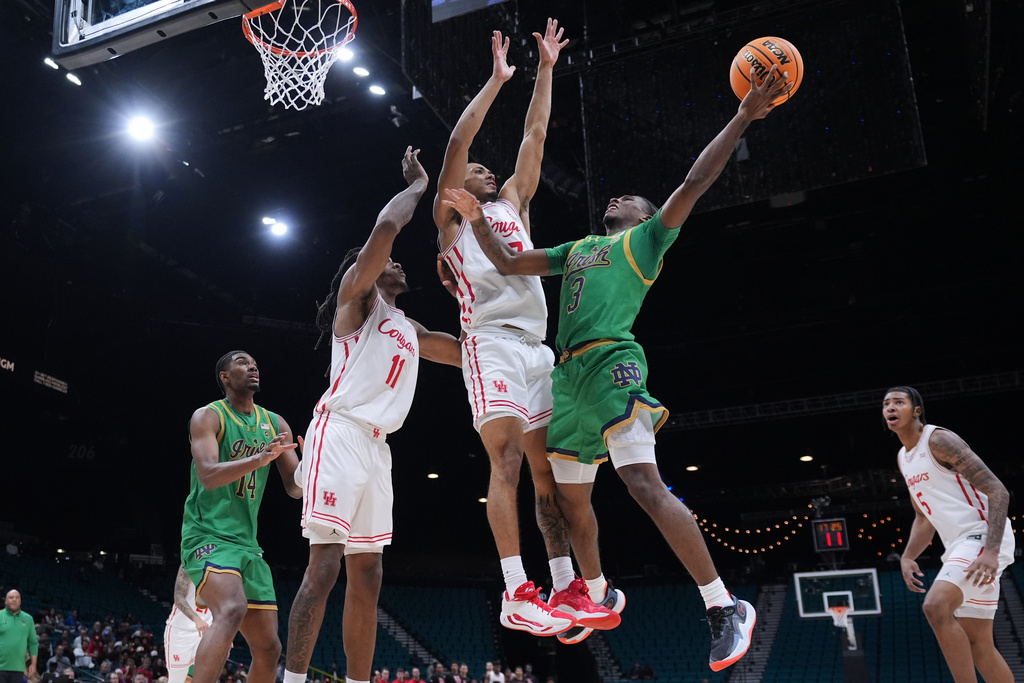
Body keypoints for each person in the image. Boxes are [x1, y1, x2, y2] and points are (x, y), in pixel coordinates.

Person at [442, 63, 792, 672]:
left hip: (612, 362)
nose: (615, 197)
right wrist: (472, 223)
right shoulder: (574, 250)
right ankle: (591, 594)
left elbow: (695, 178)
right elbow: (511, 263)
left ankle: (722, 605)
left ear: (645, 214)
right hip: (562, 373)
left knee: (643, 484)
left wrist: (740, 118)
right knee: (566, 501)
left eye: (627, 196)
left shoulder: (649, 239)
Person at [433, 19, 617, 639]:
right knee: (507, 458)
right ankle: (517, 589)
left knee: (550, 473)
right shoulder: (454, 221)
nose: (484, 171)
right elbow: (458, 142)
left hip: (539, 350)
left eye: (488, 169)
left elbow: (535, 133)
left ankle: (564, 584)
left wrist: (544, 71)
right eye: (477, 170)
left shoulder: (513, 204)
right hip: (490, 345)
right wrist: (494, 82)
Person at [282, 148, 461, 683]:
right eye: (391, 260)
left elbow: (462, 349)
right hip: (340, 433)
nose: (398, 263)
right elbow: (386, 225)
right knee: (324, 567)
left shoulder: (409, 328)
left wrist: (475, 298)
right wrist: (419, 187)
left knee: (370, 573)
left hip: (378, 448)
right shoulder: (357, 302)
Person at [181, 349, 303, 683]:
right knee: (232, 608)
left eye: (255, 363)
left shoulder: (275, 423)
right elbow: (207, 474)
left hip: (248, 545)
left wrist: (316, 467)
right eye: (242, 362)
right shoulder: (208, 417)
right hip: (207, 534)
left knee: (269, 648)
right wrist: (258, 459)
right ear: (225, 376)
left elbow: (295, 488)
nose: (252, 366)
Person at [884, 386, 1015, 683]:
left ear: (916, 411)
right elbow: (922, 516)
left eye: (899, 402)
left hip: (982, 535)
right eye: (886, 403)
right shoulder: (904, 458)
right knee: (980, 645)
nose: (890, 407)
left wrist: (991, 551)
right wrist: (907, 556)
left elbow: (998, 491)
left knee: (936, 606)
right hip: (961, 543)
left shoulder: (939, 439)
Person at [164, 565, 213, 683]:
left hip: (207, 630)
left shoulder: (225, 565)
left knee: (208, 676)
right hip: (180, 630)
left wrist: (225, 634)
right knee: (177, 680)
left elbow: (223, 604)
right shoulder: (190, 561)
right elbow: (178, 596)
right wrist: (196, 619)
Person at [0, 590, 37, 683]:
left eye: (17, 598)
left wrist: (33, 663)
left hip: (18, 669)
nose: (14, 600)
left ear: (20, 601)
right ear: (5, 601)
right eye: (11, 598)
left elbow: (33, 643)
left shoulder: (28, 619)